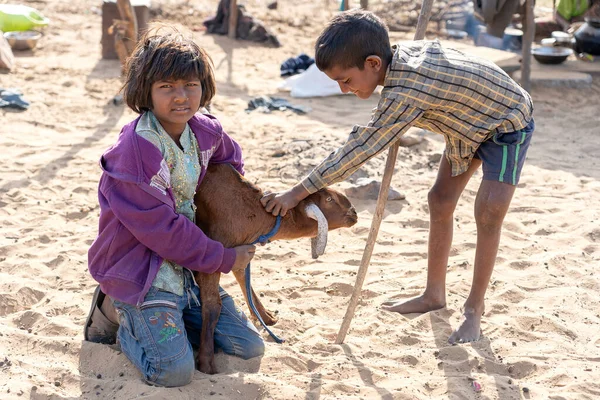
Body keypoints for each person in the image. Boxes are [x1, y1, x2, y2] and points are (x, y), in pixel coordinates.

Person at [261, 10, 534, 344]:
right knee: (440, 200)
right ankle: (434, 294)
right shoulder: (397, 67)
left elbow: (361, 148)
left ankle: (474, 311)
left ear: (374, 63)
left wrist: (297, 192)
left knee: (489, 211)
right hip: (463, 126)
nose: (344, 89)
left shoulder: (407, 90)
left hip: (506, 122)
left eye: (346, 80)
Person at [84, 25, 264, 387]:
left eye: (190, 85)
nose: (181, 97)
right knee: (173, 371)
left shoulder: (206, 133)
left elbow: (228, 167)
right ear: (146, 91)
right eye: (167, 86)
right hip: (142, 271)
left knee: (247, 348)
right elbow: (163, 231)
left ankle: (170, 319)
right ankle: (114, 312)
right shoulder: (133, 154)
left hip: (189, 268)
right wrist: (224, 258)